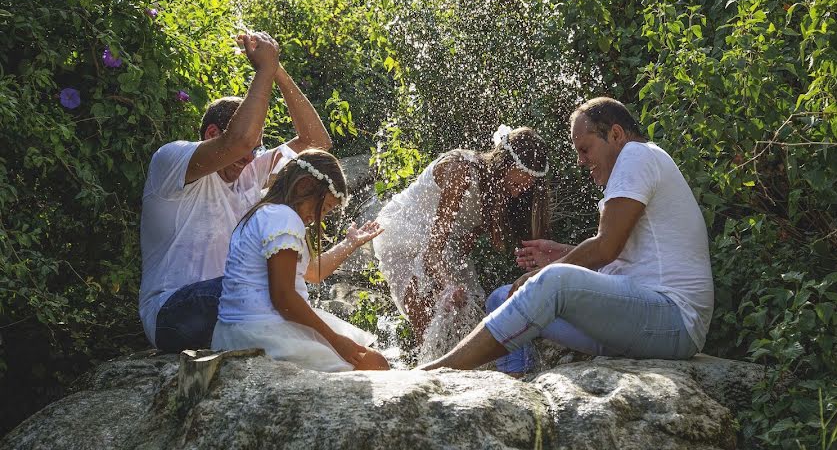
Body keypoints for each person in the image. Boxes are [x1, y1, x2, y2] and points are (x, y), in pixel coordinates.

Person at [419, 97, 714, 371]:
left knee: (552, 281)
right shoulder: (636, 163)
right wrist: (563, 252)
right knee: (502, 298)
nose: (580, 161)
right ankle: (512, 387)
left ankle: (438, 371)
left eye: (584, 149)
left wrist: (548, 272)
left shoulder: (636, 155)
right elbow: (623, 254)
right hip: (634, 323)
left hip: (674, 320)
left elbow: (605, 248)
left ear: (615, 135)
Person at [140, 31, 333, 353]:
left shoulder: (250, 171)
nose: (249, 157)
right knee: (268, 286)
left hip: (232, 312)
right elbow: (239, 142)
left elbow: (317, 145)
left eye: (257, 149)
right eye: (248, 149)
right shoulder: (171, 161)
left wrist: (277, 69)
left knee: (284, 292)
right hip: (172, 315)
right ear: (212, 133)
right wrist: (262, 71)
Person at [373, 126, 551, 361]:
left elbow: (462, 245)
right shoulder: (461, 171)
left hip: (445, 246)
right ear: (503, 164)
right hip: (405, 236)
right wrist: (446, 285)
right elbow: (432, 253)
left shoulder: (499, 191)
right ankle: (425, 378)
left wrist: (453, 281)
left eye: (524, 188)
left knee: (468, 313)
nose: (518, 194)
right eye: (517, 185)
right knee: (427, 321)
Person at [212, 149, 389, 371]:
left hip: (234, 332)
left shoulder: (266, 213)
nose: (318, 219)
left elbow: (312, 272)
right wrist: (335, 340)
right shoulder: (284, 218)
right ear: (304, 186)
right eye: (323, 209)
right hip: (262, 333)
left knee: (372, 360)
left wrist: (350, 243)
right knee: (376, 364)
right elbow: (284, 298)